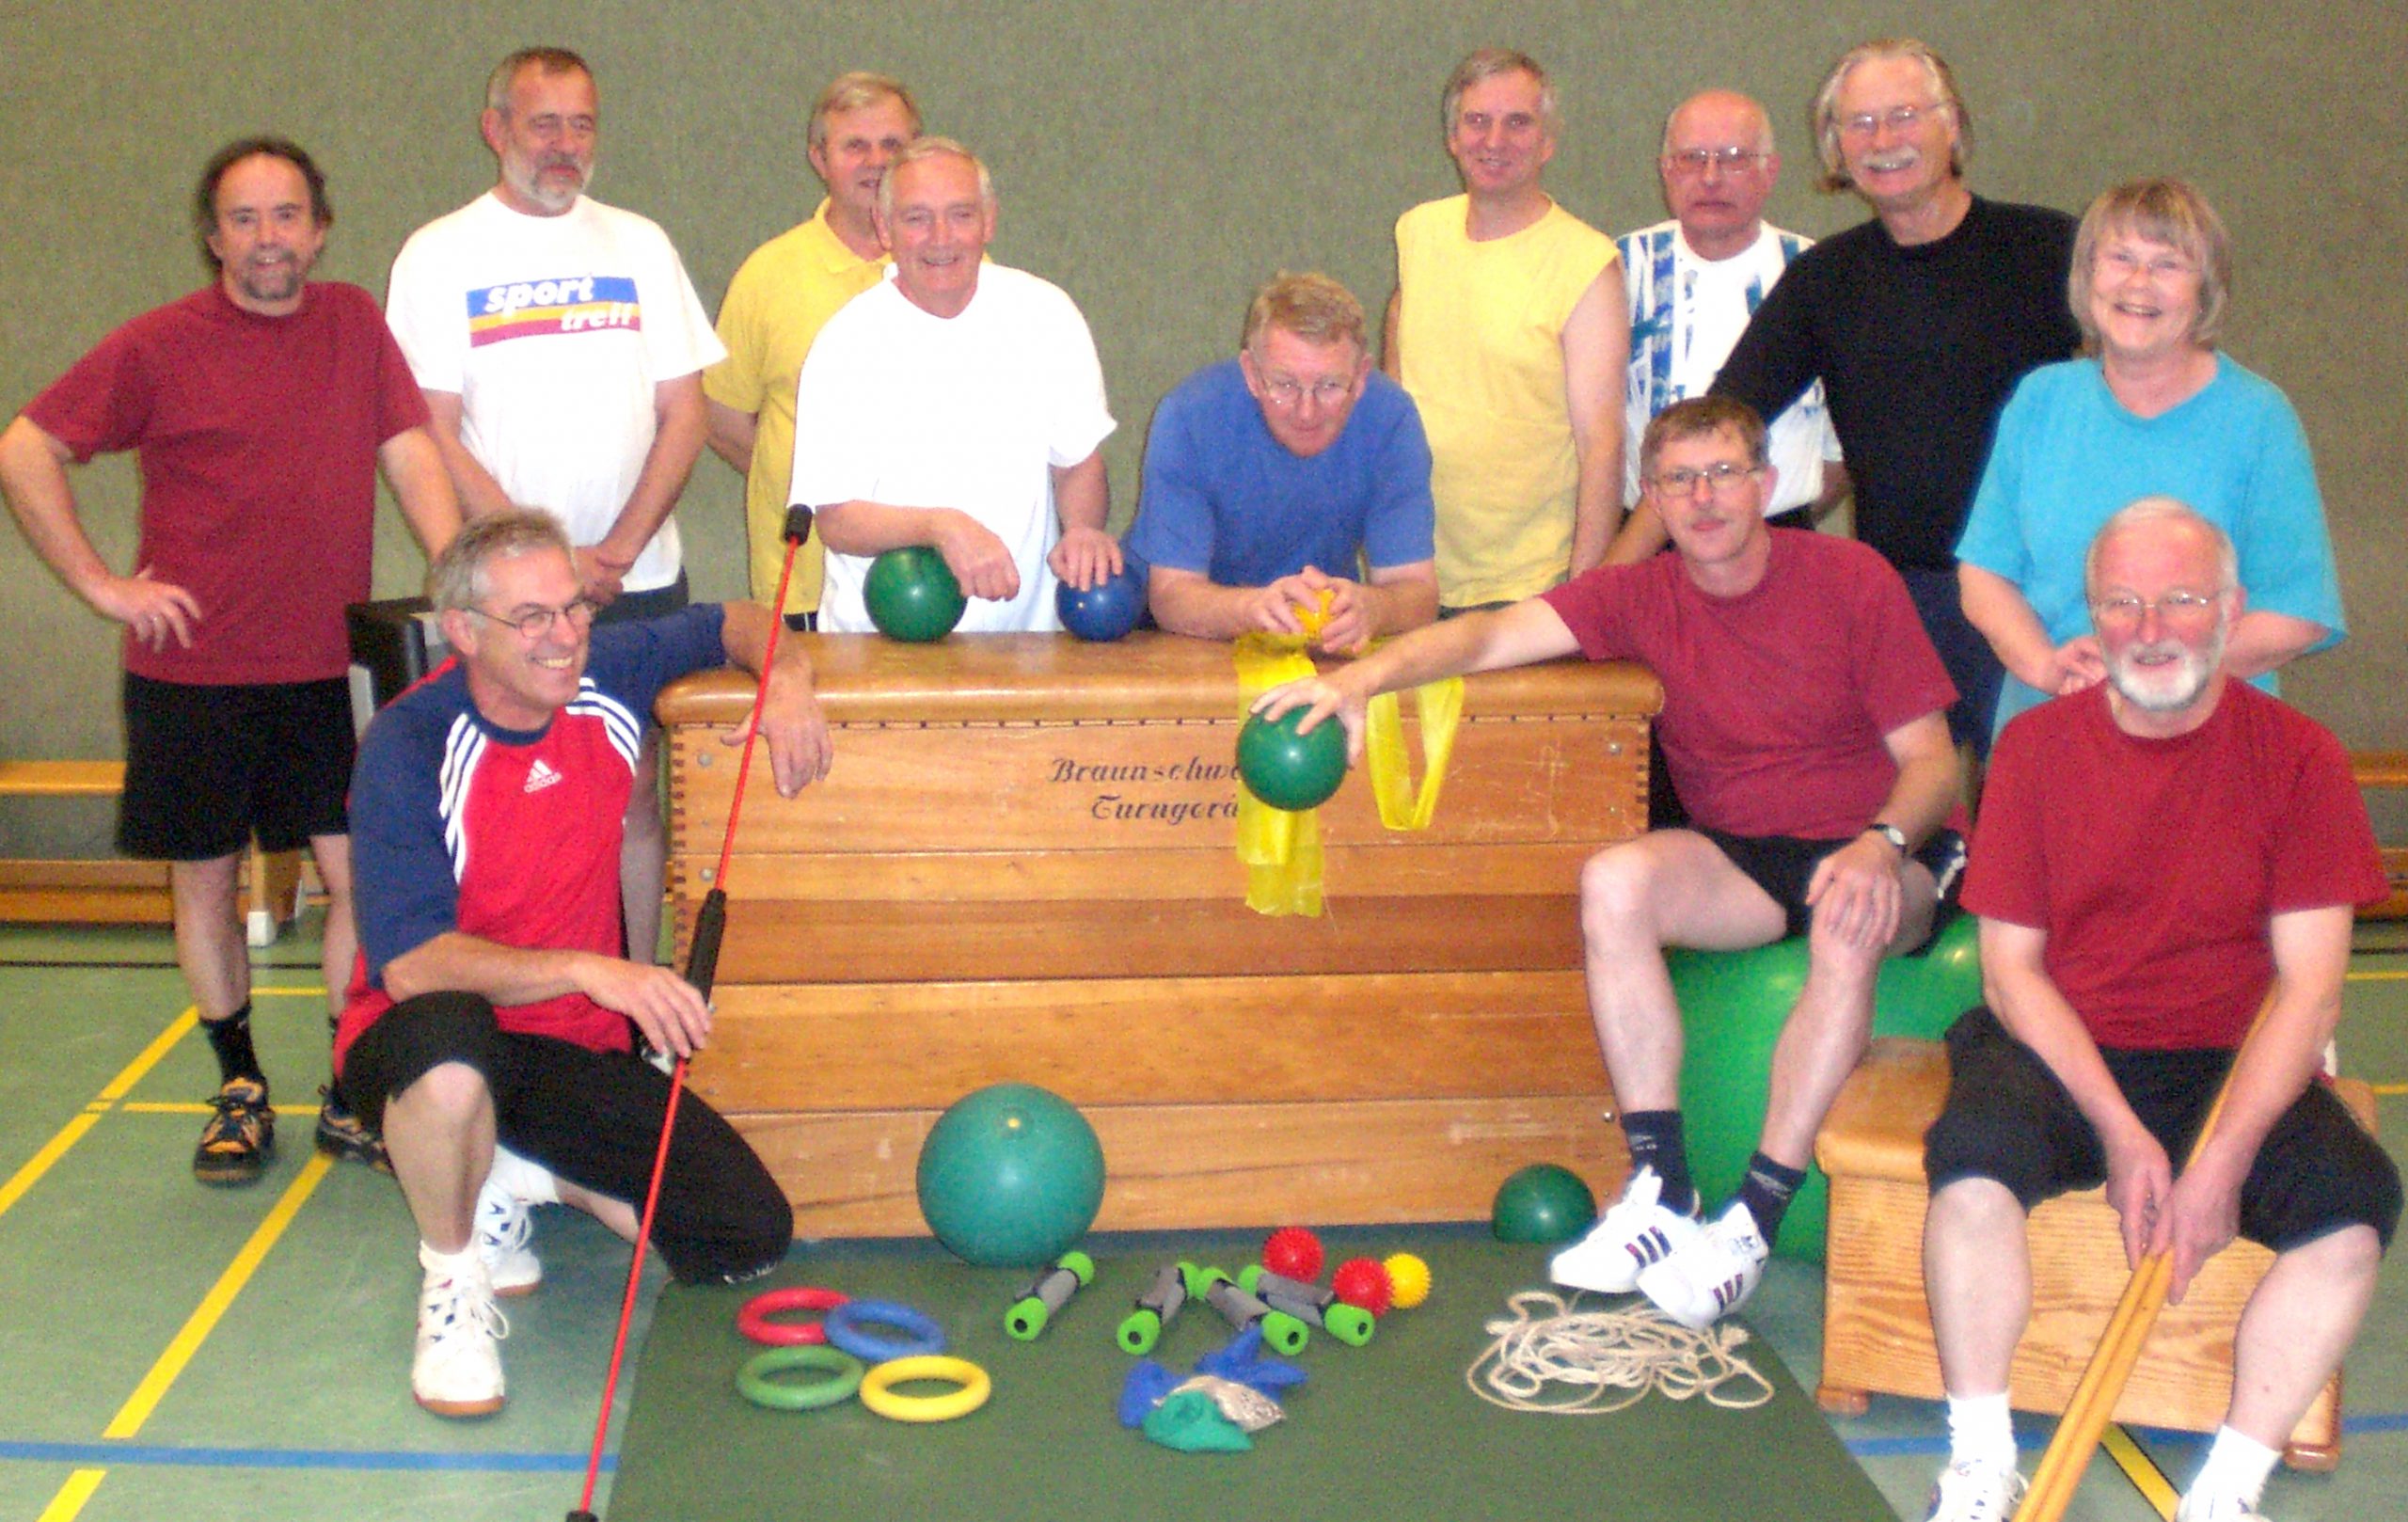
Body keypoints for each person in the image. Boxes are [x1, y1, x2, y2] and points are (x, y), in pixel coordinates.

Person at [1257, 396, 1963, 1329]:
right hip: (1748, 857)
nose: (1703, 498)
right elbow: (1487, 635)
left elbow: (1933, 762)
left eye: (1723, 474)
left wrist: (1881, 846)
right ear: (1653, 499)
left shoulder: (1851, 578)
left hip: (1889, 847)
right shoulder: (1640, 594)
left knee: (1842, 919)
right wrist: (1360, 678)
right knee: (1614, 881)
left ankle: (1751, 1222)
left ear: (1765, 485)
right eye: (1679, 480)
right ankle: (1664, 1191)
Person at [1917, 500, 2397, 1522]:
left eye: (2180, 600)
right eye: (2121, 603)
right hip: (2060, 1042)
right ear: (2089, 613)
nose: (2150, 629)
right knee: (1968, 1173)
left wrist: (2219, 1159)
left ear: (2230, 608)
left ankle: (2227, 1487)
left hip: (2228, 1055)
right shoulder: (2035, 750)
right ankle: (1980, 1458)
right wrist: (2122, 1132)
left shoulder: (2300, 757)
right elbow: (2011, 975)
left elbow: (2310, 988)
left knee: (2354, 1213)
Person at [0, 137, 458, 1185]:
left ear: (320, 229)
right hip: (190, 672)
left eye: (286, 215)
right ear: (214, 238)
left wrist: (458, 578)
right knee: (204, 883)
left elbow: (410, 452)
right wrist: (102, 585)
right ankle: (240, 1086)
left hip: (326, 672)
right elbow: (25, 448)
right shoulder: (159, 345)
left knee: (362, 880)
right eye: (244, 219)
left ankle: (347, 1084)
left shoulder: (355, 324)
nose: (268, 238)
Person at [336, 509, 831, 1419]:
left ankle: (510, 1169)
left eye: (573, 608)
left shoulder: (604, 673)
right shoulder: (410, 745)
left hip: (565, 1048)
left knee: (743, 1232)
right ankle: (452, 1277)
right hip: (423, 1033)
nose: (563, 636)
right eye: (531, 617)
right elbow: (411, 966)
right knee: (451, 1059)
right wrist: (593, 970)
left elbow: (737, 621)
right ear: (463, 632)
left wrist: (790, 682)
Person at [386, 46, 726, 971]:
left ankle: (635, 995)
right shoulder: (437, 253)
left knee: (635, 791)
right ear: (494, 128)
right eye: (544, 124)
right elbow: (430, 427)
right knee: (517, 792)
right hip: (511, 596)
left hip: (636, 579)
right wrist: (543, 565)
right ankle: (526, 995)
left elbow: (686, 412)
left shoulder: (640, 243)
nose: (565, 144)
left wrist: (614, 550)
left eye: (582, 125)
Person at [1713, 38, 2079, 755]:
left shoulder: (2049, 249)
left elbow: (2145, 375)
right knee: (1910, 813)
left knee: (2037, 804)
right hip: (1905, 600)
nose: (1883, 141)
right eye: (1860, 123)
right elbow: (1725, 418)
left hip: (2040, 591)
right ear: (1835, 148)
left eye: (1905, 115)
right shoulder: (1826, 280)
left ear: (1954, 125)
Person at [1956, 178, 2343, 736]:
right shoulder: (2041, 400)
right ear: (2088, 277)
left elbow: (2298, 612)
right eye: (2120, 258)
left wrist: (2139, 679)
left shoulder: (2257, 417)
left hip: (2204, 738)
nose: (2139, 282)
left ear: (2204, 292)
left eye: (2167, 265)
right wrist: (2045, 665)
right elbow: (1984, 575)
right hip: (2052, 723)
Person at [789, 137, 1118, 632]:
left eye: (961, 215)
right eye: (917, 218)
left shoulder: (1047, 315)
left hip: (1028, 649)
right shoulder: (845, 344)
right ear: (884, 227)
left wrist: (1085, 530)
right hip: (878, 650)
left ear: (989, 221)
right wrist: (942, 526)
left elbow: (1077, 464)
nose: (940, 238)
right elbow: (836, 519)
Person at [1385, 48, 1626, 611]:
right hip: (1412, 574)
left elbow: (1603, 443)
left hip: (1529, 585)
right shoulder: (1419, 231)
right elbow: (1393, 390)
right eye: (1477, 120)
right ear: (1453, 137)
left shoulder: (1586, 264)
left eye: (1518, 122)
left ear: (1547, 142)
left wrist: (1579, 602)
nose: (1495, 140)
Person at [705, 71, 922, 629]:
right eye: (855, 146)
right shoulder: (767, 275)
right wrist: (811, 477)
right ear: (819, 159)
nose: (876, 161)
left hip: (935, 580)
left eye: (892, 145)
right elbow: (723, 420)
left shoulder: (957, 268)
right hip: (803, 583)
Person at [1131, 272, 1437, 653]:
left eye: (1329, 386)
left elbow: (1416, 590)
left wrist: (1374, 608)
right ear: (1251, 374)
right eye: (1285, 385)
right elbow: (1172, 596)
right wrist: (1250, 609)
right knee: (1101, 604)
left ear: (1361, 378)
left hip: (1317, 626)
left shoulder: (1392, 419)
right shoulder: (1188, 416)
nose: (1306, 412)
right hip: (1184, 625)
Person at [1606, 89, 1844, 563]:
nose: (1710, 177)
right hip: (1645, 551)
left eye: (1734, 159)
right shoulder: (1615, 270)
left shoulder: (1820, 275)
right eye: (1691, 158)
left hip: (1782, 545)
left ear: (1770, 171)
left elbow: (1845, 450)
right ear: (1665, 170)